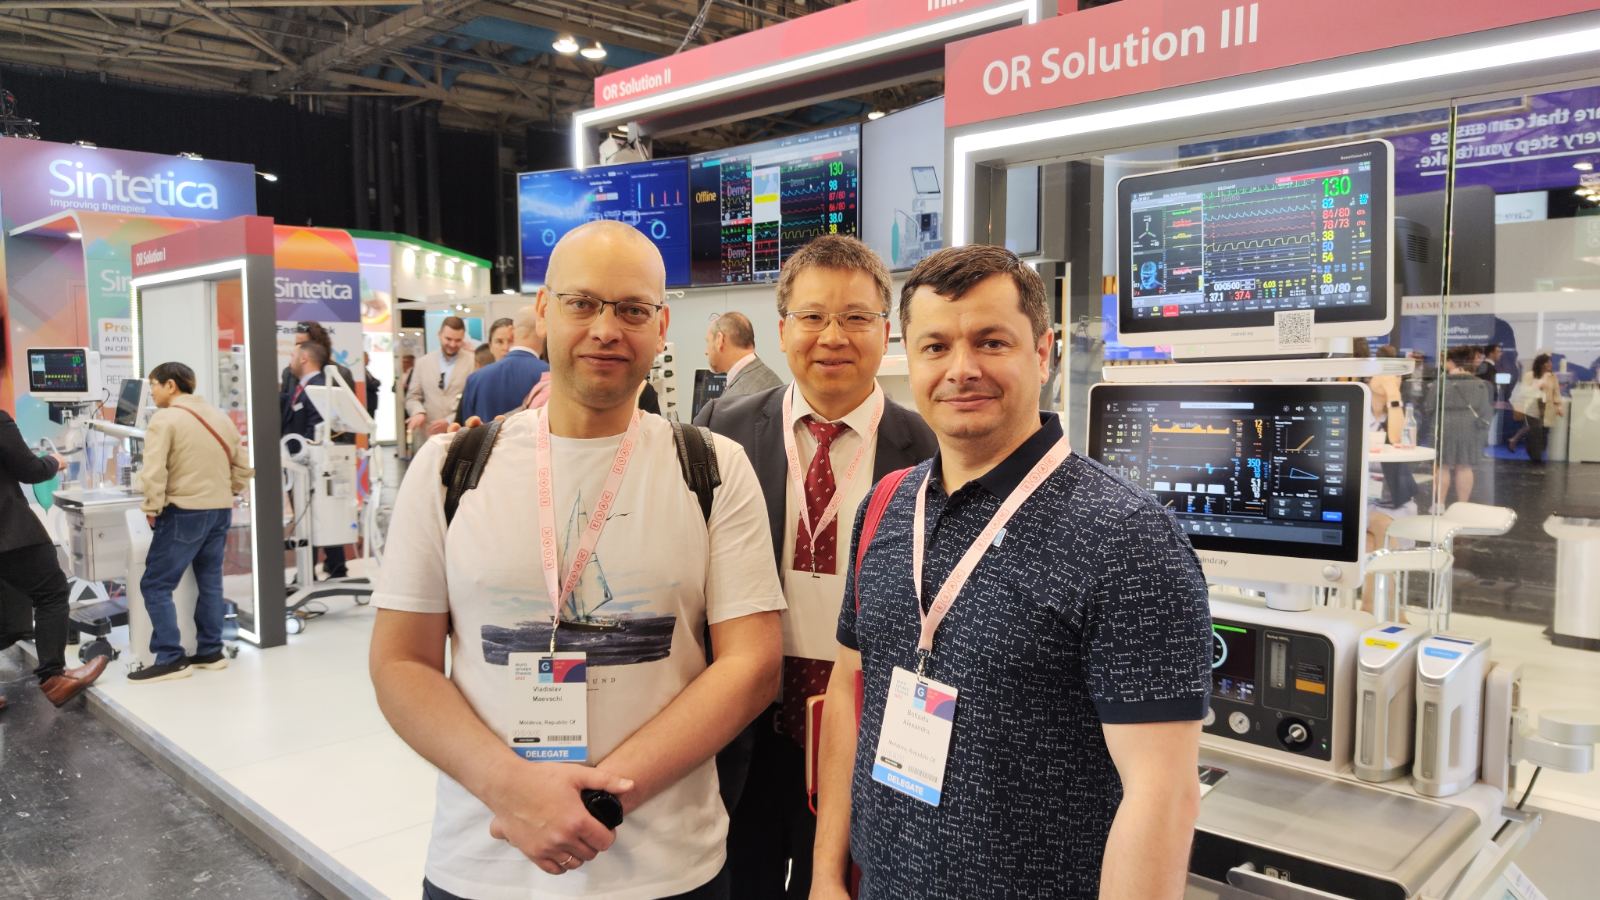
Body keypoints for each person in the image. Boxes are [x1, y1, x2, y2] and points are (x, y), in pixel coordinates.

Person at [370, 219, 785, 900]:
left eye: (632, 310)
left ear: (661, 325)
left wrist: (599, 803)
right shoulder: (450, 468)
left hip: (668, 868)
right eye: (582, 303)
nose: (605, 329)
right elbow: (400, 664)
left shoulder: (713, 466)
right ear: (543, 310)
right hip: (483, 865)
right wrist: (515, 793)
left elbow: (752, 665)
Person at [812, 245, 1211, 900]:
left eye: (991, 342)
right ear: (909, 359)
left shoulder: (1127, 538)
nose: (961, 369)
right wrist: (826, 874)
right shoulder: (886, 508)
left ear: (1043, 352)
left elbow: (1163, 795)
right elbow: (850, 693)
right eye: (936, 347)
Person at [695, 234, 937, 898]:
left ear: (885, 331)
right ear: (782, 330)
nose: (833, 336)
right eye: (812, 316)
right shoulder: (720, 430)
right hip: (744, 728)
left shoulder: (930, 449)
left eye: (856, 317)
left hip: (866, 735)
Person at [130, 362, 253, 683]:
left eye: (154, 385)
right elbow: (243, 466)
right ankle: (210, 652)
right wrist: (226, 491)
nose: (152, 392)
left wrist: (151, 506)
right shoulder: (220, 417)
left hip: (183, 511)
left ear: (171, 385)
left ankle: (170, 657)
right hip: (220, 510)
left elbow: (154, 472)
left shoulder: (165, 419)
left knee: (156, 584)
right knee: (210, 580)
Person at [0, 410, 107, 709]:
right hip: (8, 531)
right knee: (52, 592)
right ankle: (54, 678)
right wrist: (53, 461)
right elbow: (29, 470)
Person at [283, 341, 353, 579]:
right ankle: (334, 567)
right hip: (300, 463)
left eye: (293, 355)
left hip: (310, 463)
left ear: (304, 358)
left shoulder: (319, 387)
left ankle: (312, 571)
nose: (290, 360)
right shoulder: (302, 386)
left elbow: (316, 426)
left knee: (313, 514)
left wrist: (302, 454)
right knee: (315, 514)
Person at [459, 306, 550, 425]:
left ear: (511, 330)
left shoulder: (475, 379)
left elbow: (467, 428)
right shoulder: (552, 376)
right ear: (545, 331)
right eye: (499, 342)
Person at [405, 316, 476, 453]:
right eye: (448, 339)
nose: (453, 344)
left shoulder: (472, 362)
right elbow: (412, 397)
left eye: (458, 340)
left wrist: (450, 421)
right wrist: (418, 412)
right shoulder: (422, 363)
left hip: (460, 436)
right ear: (439, 335)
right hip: (428, 436)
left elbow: (473, 401)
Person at [1436, 345, 1494, 504]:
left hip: (1445, 427)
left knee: (1442, 466)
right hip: (1470, 428)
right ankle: (1462, 504)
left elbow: (1430, 406)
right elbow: (1485, 409)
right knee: (1465, 466)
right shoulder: (1480, 384)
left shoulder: (1442, 383)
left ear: (1450, 361)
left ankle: (1439, 505)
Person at [704, 312, 783, 401]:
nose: (706, 352)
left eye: (708, 341)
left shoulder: (736, 400)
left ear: (720, 340)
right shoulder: (770, 381)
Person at [281, 321, 355, 397]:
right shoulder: (289, 373)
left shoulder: (340, 375)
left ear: (318, 346)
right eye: (297, 344)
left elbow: (347, 404)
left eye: (303, 345)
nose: (297, 348)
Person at [1514, 353, 1563, 464]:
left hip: (1547, 409)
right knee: (1535, 433)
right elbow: (1525, 391)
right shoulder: (1529, 375)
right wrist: (1539, 384)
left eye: (1550, 362)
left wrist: (1559, 406)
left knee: (1544, 434)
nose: (1550, 364)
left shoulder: (1553, 377)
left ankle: (1537, 453)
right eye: (1547, 362)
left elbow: (1556, 393)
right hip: (1533, 407)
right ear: (1541, 364)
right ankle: (1536, 458)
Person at [363, 351, 383, 418]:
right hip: (367, 403)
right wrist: (375, 383)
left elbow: (377, 381)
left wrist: (375, 383)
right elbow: (370, 385)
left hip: (371, 404)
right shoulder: (361, 372)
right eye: (367, 358)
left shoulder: (366, 371)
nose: (369, 360)